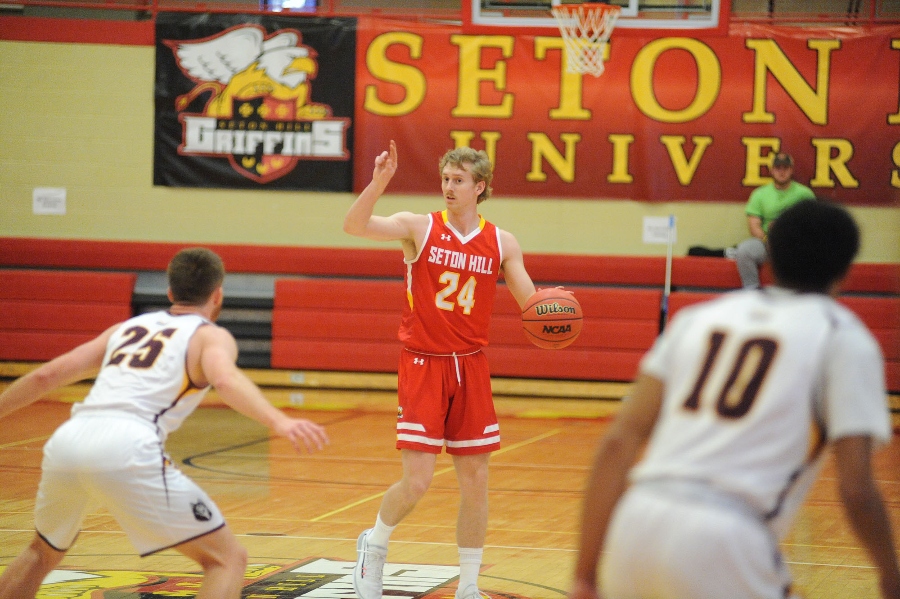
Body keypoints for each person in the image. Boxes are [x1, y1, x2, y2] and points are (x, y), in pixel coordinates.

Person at [568, 199, 900, 599]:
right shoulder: (843, 338)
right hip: (730, 533)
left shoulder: (699, 317)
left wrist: (585, 574)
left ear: (770, 259)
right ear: (845, 270)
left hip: (636, 523)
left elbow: (618, 442)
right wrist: (889, 572)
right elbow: (857, 488)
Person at [0, 248, 329, 599]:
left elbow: (46, 376)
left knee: (42, 551)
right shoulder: (209, 336)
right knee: (227, 560)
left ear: (171, 292)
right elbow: (227, 381)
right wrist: (279, 420)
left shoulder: (125, 328)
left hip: (68, 440)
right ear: (218, 294)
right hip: (127, 445)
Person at [343, 141, 538, 599]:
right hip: (423, 363)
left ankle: (468, 585)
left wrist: (555, 310)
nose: (449, 188)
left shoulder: (502, 242)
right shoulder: (419, 227)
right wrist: (378, 183)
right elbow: (354, 226)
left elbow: (531, 302)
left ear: (480, 187)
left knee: (476, 482)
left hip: (471, 367)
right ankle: (374, 544)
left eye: (459, 181)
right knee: (418, 480)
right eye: (445, 179)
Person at [731, 152, 815, 288]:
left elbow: (812, 225)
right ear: (772, 170)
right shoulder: (759, 194)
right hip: (767, 242)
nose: (782, 172)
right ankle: (752, 290)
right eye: (778, 168)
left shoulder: (805, 194)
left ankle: (801, 293)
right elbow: (754, 226)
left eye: (785, 168)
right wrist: (769, 240)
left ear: (791, 170)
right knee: (744, 250)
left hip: (794, 243)